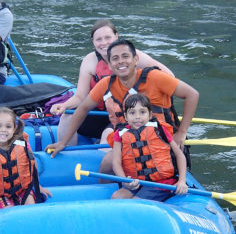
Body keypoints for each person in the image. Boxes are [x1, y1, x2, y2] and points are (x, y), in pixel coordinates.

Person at [46, 39, 199, 175]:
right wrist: (63, 142)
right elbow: (83, 109)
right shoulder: (106, 84)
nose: (121, 61)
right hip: (129, 143)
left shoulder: (155, 77)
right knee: (106, 165)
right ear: (110, 65)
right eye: (115, 58)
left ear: (135, 59)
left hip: (161, 145)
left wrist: (181, 132)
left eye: (125, 56)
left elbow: (192, 95)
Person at [49, 19, 174, 145]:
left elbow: (168, 76)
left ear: (116, 36)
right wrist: (64, 106)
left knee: (107, 135)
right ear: (93, 42)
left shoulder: (132, 57)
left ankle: (107, 159)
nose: (104, 43)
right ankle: (65, 156)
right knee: (67, 117)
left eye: (108, 37)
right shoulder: (89, 61)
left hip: (125, 115)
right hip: (99, 113)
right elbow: (81, 96)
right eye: (98, 39)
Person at [111, 94, 188, 201]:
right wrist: (125, 181)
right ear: (126, 116)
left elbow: (180, 155)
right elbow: (116, 163)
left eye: (142, 112)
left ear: (150, 114)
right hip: (136, 182)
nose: (137, 116)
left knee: (136, 202)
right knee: (116, 197)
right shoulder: (120, 134)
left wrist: (182, 181)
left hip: (161, 183)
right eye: (132, 113)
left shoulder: (159, 129)